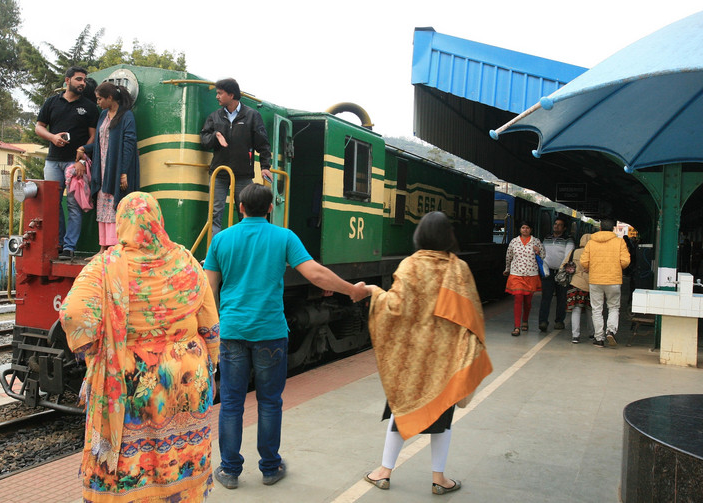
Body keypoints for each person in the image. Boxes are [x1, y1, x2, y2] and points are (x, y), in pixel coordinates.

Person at [203, 183, 370, 489]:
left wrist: (212, 330)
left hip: (232, 333)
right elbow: (316, 274)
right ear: (270, 208)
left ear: (240, 207)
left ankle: (229, 470)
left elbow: (207, 289)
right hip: (270, 333)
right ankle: (269, 467)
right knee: (269, 402)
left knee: (230, 403)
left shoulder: (221, 240)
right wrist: (352, 291)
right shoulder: (284, 237)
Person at [60, 192, 220, 502]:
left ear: (121, 223)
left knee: (129, 463)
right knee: (181, 456)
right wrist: (210, 363)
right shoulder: (187, 262)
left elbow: (73, 314)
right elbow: (210, 324)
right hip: (187, 377)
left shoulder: (104, 267)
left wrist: (96, 348)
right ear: (159, 221)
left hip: (131, 379)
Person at [363, 211, 492, 496]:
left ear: (420, 234)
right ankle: (439, 479)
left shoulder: (410, 265)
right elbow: (472, 315)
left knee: (402, 411)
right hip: (444, 360)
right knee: (443, 419)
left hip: (411, 359)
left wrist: (374, 292)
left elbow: (394, 308)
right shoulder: (459, 268)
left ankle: (384, 471)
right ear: (449, 236)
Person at [35, 66, 100, 259]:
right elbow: (39, 127)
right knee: (53, 204)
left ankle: (70, 247)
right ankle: (59, 243)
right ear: (67, 80)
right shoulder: (51, 103)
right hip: (53, 162)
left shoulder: (89, 106)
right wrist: (52, 138)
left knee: (73, 205)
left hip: (75, 163)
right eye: (79, 79)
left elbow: (93, 137)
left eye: (84, 80)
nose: (82, 83)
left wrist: (82, 159)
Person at [200, 78, 272, 235]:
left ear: (231, 95)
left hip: (243, 175)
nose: (217, 97)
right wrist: (215, 135)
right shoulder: (215, 116)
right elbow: (204, 140)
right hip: (219, 173)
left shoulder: (252, 116)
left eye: (220, 93)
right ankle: (215, 254)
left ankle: (244, 252)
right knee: (214, 214)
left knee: (246, 215)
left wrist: (266, 167)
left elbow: (263, 144)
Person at [76, 83, 140, 256]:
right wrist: (84, 148)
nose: (97, 102)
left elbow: (129, 145)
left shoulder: (126, 116)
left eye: (100, 99)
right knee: (103, 206)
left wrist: (124, 172)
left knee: (115, 205)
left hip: (116, 167)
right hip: (102, 167)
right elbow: (99, 141)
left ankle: (113, 248)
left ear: (110, 98)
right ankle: (103, 248)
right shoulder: (104, 115)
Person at [580, 219, 631, 348]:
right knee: (613, 307)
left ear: (600, 227)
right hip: (613, 280)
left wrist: (593, 267)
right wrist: (614, 267)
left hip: (595, 280)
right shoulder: (620, 242)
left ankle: (599, 338)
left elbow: (584, 262)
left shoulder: (591, 243)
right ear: (613, 228)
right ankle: (611, 331)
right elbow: (625, 261)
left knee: (597, 309)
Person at [503, 221, 545, 336]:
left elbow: (543, 256)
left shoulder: (536, 241)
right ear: (520, 229)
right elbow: (509, 256)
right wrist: (507, 269)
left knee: (527, 301)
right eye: (523, 227)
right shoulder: (514, 242)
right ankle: (517, 326)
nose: (525, 230)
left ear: (531, 229)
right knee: (518, 298)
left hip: (531, 275)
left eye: (527, 228)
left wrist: (538, 251)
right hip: (516, 274)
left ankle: (525, 320)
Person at [538, 217, 575, 332]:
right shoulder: (546, 238)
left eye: (559, 225)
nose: (556, 226)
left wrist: (561, 270)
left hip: (562, 274)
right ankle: (543, 321)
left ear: (564, 228)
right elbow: (542, 253)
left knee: (561, 298)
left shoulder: (568, 240)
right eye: (555, 224)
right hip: (548, 272)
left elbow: (568, 256)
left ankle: (559, 321)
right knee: (546, 298)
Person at [563, 233, 593, 343]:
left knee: (576, 309)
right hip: (591, 284)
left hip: (576, 283)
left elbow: (564, 265)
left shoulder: (574, 252)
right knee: (591, 310)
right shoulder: (593, 253)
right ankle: (592, 333)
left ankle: (575, 336)